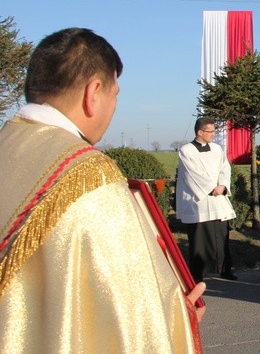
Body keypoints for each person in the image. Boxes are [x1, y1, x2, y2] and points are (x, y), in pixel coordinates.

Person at [0, 28, 204, 353]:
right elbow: (132, 314)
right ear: (93, 93)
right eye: (115, 93)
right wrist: (179, 313)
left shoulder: (8, 144)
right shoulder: (89, 174)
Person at [176, 117, 237, 282]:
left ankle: (224, 269)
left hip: (217, 199)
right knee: (199, 240)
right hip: (199, 201)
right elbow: (193, 174)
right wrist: (211, 188)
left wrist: (223, 186)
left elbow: (225, 168)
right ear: (199, 132)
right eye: (210, 131)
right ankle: (197, 274)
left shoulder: (217, 149)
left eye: (214, 131)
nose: (213, 134)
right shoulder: (186, 150)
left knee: (221, 236)